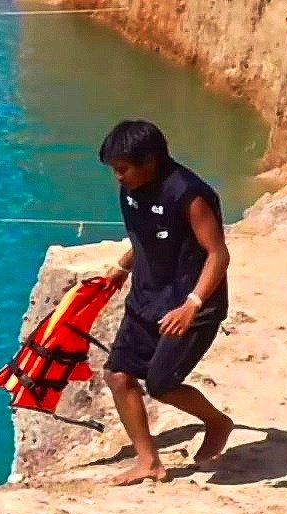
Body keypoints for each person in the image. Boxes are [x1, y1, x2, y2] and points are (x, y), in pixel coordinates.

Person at [92, 120, 235, 486]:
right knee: (118, 375)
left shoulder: (190, 195)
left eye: (123, 169)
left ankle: (217, 422)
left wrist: (193, 303)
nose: (118, 178)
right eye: (114, 170)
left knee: (161, 384)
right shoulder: (131, 190)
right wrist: (122, 267)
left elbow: (218, 254)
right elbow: (143, 237)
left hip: (192, 306)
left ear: (150, 161)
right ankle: (149, 462)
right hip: (147, 297)